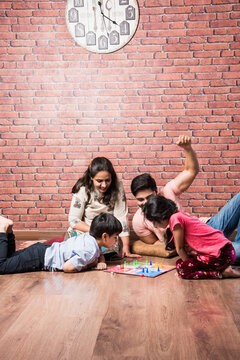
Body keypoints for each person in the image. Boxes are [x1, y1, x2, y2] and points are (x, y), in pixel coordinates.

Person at [142, 195, 240, 279]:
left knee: (184, 271)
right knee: (179, 264)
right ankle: (223, 268)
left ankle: (221, 273)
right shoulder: (178, 215)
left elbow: (179, 249)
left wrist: (189, 266)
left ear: (161, 217)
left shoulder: (175, 220)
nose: (154, 225)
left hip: (222, 254)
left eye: (154, 221)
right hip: (225, 251)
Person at [131, 135, 199, 251]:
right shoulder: (138, 221)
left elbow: (191, 171)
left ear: (156, 192)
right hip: (196, 244)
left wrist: (187, 148)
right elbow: (160, 245)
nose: (146, 202)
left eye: (149, 197)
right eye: (140, 199)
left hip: (204, 227)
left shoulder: (167, 191)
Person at [64, 157, 140, 258]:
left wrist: (126, 247)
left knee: (111, 247)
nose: (104, 185)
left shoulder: (117, 186)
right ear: (91, 177)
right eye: (99, 181)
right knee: (73, 244)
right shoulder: (82, 188)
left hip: (107, 235)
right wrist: (96, 232)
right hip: (87, 230)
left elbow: (121, 217)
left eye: (107, 180)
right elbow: (74, 221)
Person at [0, 213, 122, 274]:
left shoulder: (91, 238)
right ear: (104, 236)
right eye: (115, 237)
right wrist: (89, 265)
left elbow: (98, 253)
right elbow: (67, 267)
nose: (116, 241)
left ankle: (9, 229)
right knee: (2, 266)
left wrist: (101, 261)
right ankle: (3, 229)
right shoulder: (89, 251)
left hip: (42, 251)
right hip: (39, 258)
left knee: (10, 258)